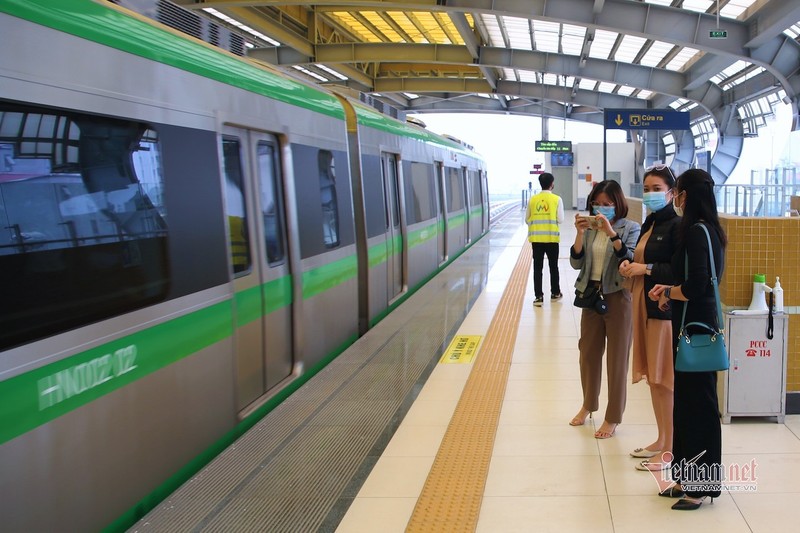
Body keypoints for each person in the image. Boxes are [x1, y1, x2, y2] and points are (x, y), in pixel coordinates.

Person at [649, 168, 727, 510]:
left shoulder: (697, 231)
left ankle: (700, 487)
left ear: (687, 195)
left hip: (697, 327)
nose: (674, 198)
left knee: (698, 407)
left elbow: (696, 286)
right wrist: (671, 294)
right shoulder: (707, 230)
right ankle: (684, 477)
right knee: (686, 405)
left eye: (676, 191)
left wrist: (668, 290)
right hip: (690, 323)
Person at [618, 166, 680, 471]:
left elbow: (678, 272)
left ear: (671, 192)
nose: (650, 193)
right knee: (653, 380)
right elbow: (640, 259)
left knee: (664, 380)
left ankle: (670, 448)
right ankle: (660, 438)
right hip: (643, 307)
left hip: (663, 312)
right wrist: (630, 265)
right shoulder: (650, 223)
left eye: (656, 188)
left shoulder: (677, 226)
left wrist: (647, 269)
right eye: (646, 188)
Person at [569, 180, 640, 438]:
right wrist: (579, 233)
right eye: (597, 203)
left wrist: (611, 232)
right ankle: (588, 404)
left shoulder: (630, 227)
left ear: (617, 204)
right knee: (587, 354)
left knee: (617, 359)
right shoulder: (589, 229)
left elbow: (629, 258)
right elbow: (576, 263)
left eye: (607, 204)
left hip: (618, 296)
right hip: (591, 296)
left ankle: (613, 417)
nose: (601, 208)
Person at [526, 172, 564, 306]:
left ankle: (538, 296)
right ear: (552, 184)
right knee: (553, 266)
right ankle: (555, 293)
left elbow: (527, 219)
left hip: (536, 239)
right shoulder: (557, 199)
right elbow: (561, 219)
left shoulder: (532, 200)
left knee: (538, 267)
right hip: (552, 239)